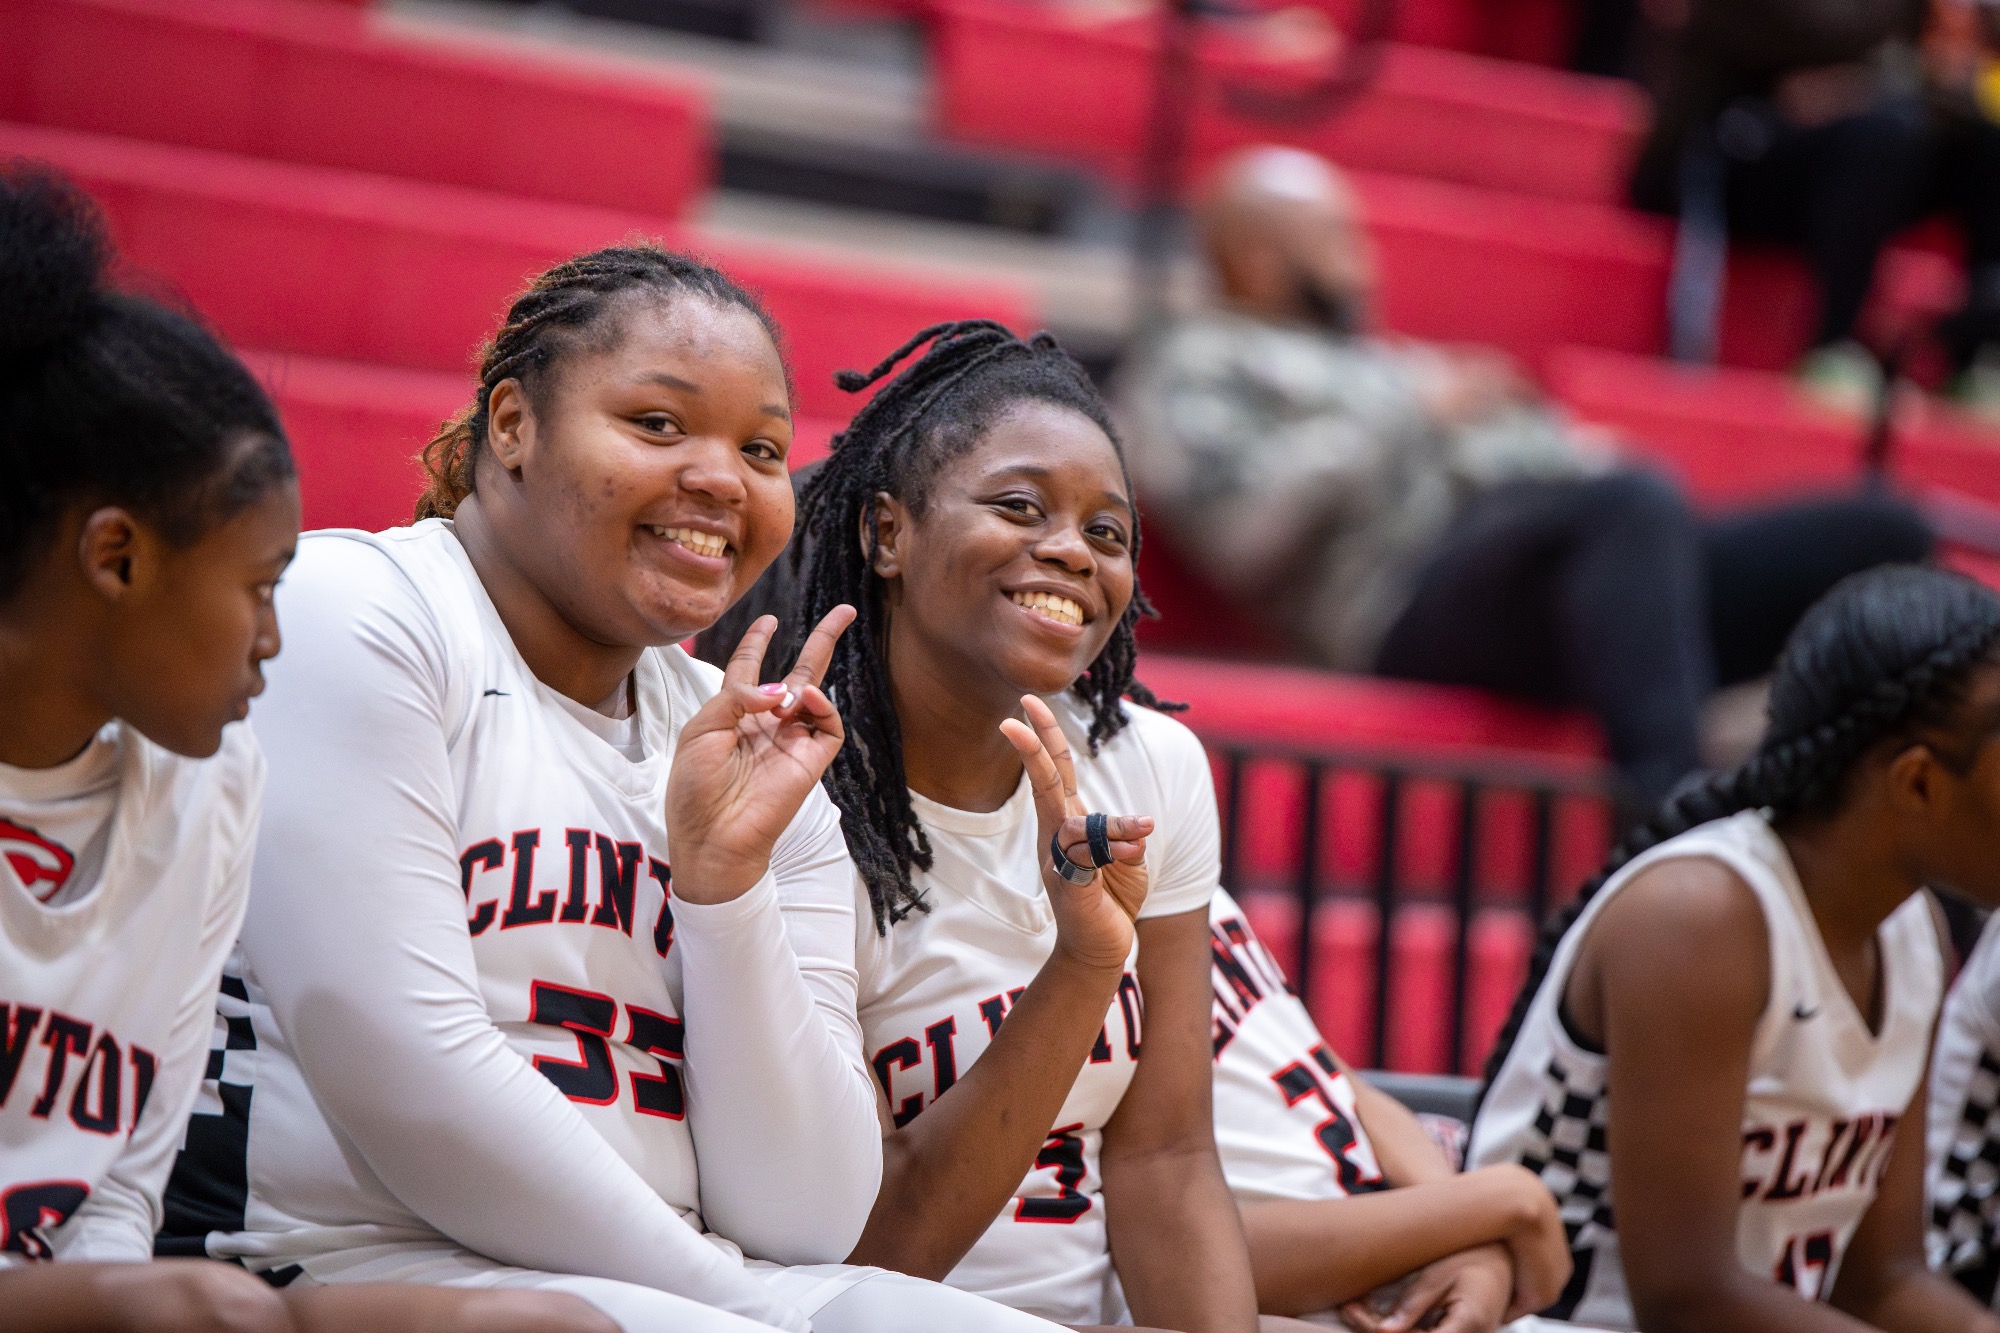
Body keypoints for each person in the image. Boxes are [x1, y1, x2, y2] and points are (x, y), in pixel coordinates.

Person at [153, 248, 1067, 1333]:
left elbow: (808, 1211)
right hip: (340, 1265)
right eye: (657, 424)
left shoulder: (754, 739)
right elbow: (408, 1073)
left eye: (762, 449)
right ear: (512, 425)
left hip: (678, 1288)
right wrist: (736, 1305)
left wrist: (724, 894)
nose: (722, 479)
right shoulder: (361, 612)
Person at [0, 167, 603, 1333]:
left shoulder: (211, 785)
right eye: (259, 586)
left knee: (549, 1326)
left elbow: (115, 1197)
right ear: (117, 558)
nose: (275, 640)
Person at [1114, 145, 1934, 817]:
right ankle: (1679, 830)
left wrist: (1571, 452)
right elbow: (1248, 536)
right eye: (1331, 235)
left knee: (1879, 533)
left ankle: (1835, 812)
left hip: (1563, 570)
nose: (1361, 255)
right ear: (1258, 259)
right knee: (1629, 505)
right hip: (1402, 599)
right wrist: (1411, 414)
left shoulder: (1384, 357)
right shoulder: (1190, 365)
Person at [781, 321, 1265, 1330]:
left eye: (1107, 533)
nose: (1072, 551)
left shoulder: (1148, 764)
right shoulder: (790, 799)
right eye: (1019, 506)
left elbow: (1166, 1160)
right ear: (886, 534)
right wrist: (1083, 968)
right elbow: (858, 1255)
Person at [1469, 563, 2000, 1331]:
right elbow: (1686, 1296)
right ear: (1917, 783)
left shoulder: (1912, 933)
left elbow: (1882, 1279)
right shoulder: (1699, 918)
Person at [1206, 889, 1574, 1331]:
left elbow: (1338, 1080)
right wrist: (1499, 1203)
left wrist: (1470, 1244)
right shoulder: (1134, 909)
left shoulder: (1187, 871)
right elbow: (1176, 1256)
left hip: (1425, 1270)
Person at [1629, 0, 1931, 402]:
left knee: (1961, 142)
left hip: (1816, 159)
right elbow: (1803, 26)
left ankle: (1981, 351)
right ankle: (1834, 347)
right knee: (1881, 136)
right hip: (1714, 157)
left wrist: (1865, 85)